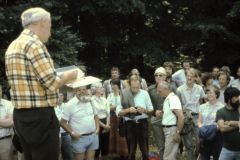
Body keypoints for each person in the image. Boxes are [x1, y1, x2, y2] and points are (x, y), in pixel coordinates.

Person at [5, 7, 78, 160]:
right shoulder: (34, 45)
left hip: (21, 117)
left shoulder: (13, 46)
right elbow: (51, 82)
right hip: (40, 118)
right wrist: (70, 75)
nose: (50, 33)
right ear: (43, 23)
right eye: (50, 27)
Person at [117, 74, 153, 160]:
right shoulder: (124, 94)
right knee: (131, 150)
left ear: (140, 84)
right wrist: (128, 110)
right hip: (130, 124)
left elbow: (151, 109)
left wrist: (144, 110)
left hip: (143, 123)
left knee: (144, 149)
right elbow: (118, 112)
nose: (136, 89)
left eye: (137, 86)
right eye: (134, 87)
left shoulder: (145, 93)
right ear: (129, 84)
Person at [60, 84, 100, 160]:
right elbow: (62, 122)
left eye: (84, 89)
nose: (82, 91)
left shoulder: (90, 101)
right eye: (79, 89)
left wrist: (97, 128)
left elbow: (96, 116)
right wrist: (72, 133)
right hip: (79, 138)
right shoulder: (70, 105)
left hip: (93, 135)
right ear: (75, 91)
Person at [176, 68, 206, 160]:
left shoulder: (199, 88)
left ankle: (198, 156)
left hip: (197, 116)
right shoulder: (179, 90)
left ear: (195, 78)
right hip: (186, 117)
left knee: (200, 141)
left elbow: (202, 102)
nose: (189, 77)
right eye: (187, 76)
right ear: (185, 76)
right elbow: (178, 105)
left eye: (191, 76)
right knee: (188, 143)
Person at [157, 81, 184, 160]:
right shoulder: (169, 99)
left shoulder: (172, 99)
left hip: (171, 130)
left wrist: (177, 133)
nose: (158, 93)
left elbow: (181, 117)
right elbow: (172, 115)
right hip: (169, 130)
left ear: (166, 89)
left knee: (168, 157)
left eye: (160, 91)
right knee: (172, 155)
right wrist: (162, 113)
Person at [198, 85, 224, 160]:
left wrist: (213, 130)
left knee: (217, 156)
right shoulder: (202, 106)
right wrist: (202, 129)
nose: (209, 95)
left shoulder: (221, 108)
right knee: (204, 157)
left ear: (216, 94)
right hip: (204, 134)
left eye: (211, 93)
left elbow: (222, 124)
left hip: (216, 134)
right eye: (207, 93)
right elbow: (199, 122)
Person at [216, 87, 240, 160]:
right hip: (227, 149)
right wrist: (238, 125)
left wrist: (231, 123)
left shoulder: (239, 108)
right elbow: (222, 128)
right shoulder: (221, 112)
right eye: (236, 97)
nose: (238, 99)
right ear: (229, 99)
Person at [148, 67, 167, 160]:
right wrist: (154, 111)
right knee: (160, 145)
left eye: (160, 75)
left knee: (170, 145)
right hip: (156, 119)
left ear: (165, 76)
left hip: (169, 119)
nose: (158, 77)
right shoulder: (150, 89)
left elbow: (177, 103)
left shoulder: (172, 87)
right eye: (156, 75)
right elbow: (148, 104)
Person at [107, 79, 128, 159]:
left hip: (122, 118)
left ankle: (123, 154)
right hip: (112, 118)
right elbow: (107, 108)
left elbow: (125, 106)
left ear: (117, 85)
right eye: (111, 84)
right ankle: (115, 153)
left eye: (113, 84)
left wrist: (114, 106)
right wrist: (116, 107)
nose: (111, 86)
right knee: (113, 135)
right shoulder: (110, 95)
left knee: (121, 135)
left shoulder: (123, 94)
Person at [91, 82, 110, 160]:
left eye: (102, 87)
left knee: (105, 146)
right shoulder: (91, 100)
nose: (103, 88)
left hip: (106, 122)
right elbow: (94, 116)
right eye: (100, 87)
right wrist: (104, 126)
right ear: (95, 89)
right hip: (97, 124)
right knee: (97, 147)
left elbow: (108, 113)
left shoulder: (104, 99)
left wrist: (107, 125)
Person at [54, 93, 73, 160]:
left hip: (66, 133)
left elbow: (71, 118)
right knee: (57, 155)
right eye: (58, 96)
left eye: (61, 96)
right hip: (56, 135)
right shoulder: (52, 108)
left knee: (68, 154)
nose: (60, 97)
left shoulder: (66, 106)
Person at [0, 85, 14, 160]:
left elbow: (11, 122)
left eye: (0, 90)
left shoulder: (8, 104)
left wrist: (7, 121)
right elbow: (7, 122)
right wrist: (3, 122)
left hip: (5, 141)